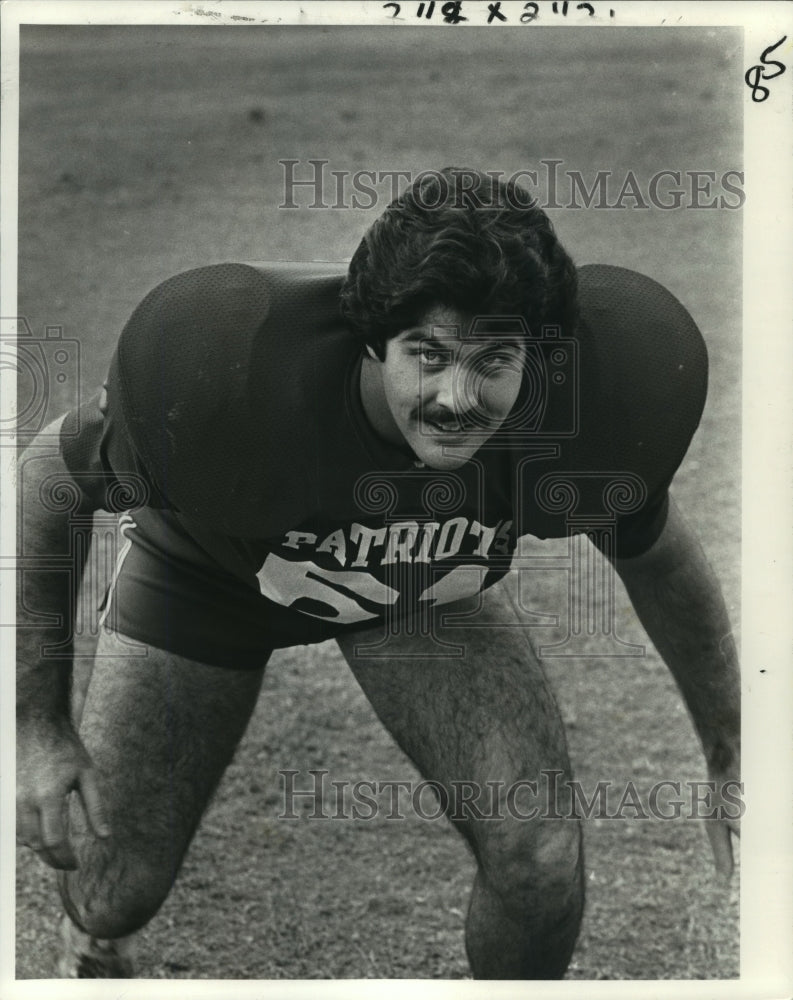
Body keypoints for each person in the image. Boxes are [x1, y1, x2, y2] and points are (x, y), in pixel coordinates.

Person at [16, 168, 740, 980]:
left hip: (418, 590)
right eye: (427, 356)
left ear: (538, 353)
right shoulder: (234, 373)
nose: (456, 398)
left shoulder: (572, 412)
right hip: (209, 574)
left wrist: (730, 741)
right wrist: (36, 726)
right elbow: (50, 477)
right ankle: (96, 937)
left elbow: (659, 558)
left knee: (536, 855)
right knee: (114, 889)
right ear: (370, 340)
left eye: (494, 358)